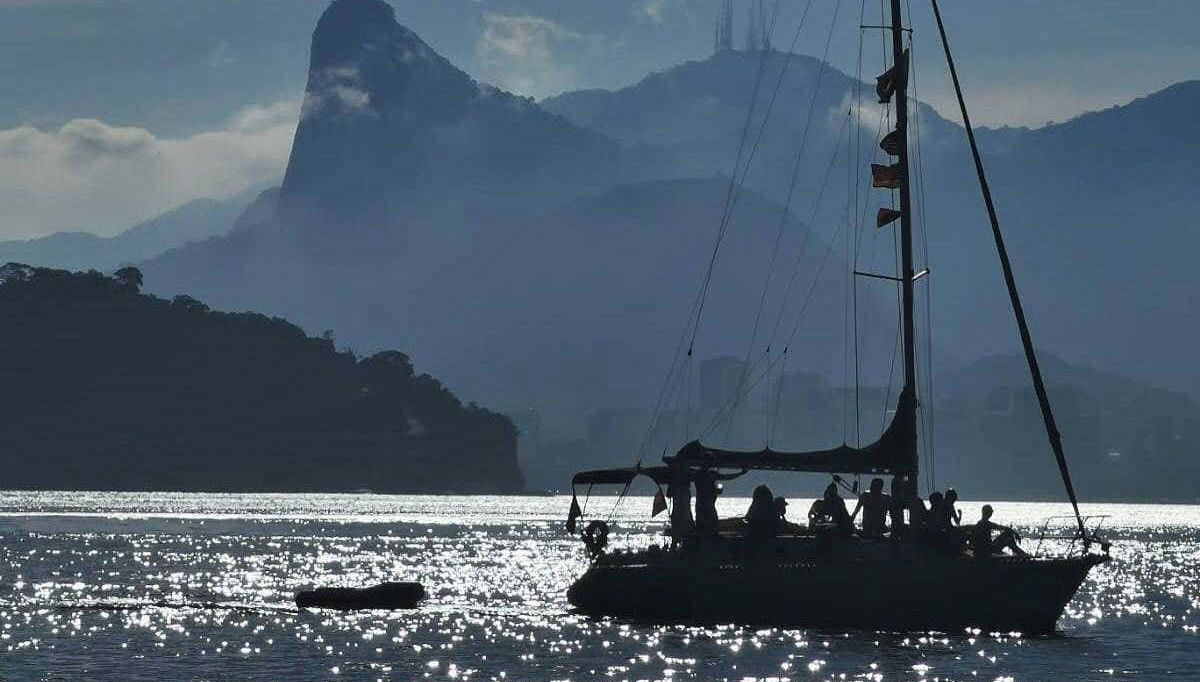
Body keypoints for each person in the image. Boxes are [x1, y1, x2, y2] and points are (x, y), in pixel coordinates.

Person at [694, 468, 745, 535]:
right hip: (707, 507)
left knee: (704, 525)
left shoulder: (699, 478)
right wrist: (740, 473)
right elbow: (727, 477)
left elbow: (725, 478)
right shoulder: (704, 478)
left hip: (702, 506)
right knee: (710, 525)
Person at [667, 468, 694, 541]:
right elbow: (669, 494)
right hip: (681, 515)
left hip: (681, 515)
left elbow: (669, 494)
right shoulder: (682, 489)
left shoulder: (676, 484)